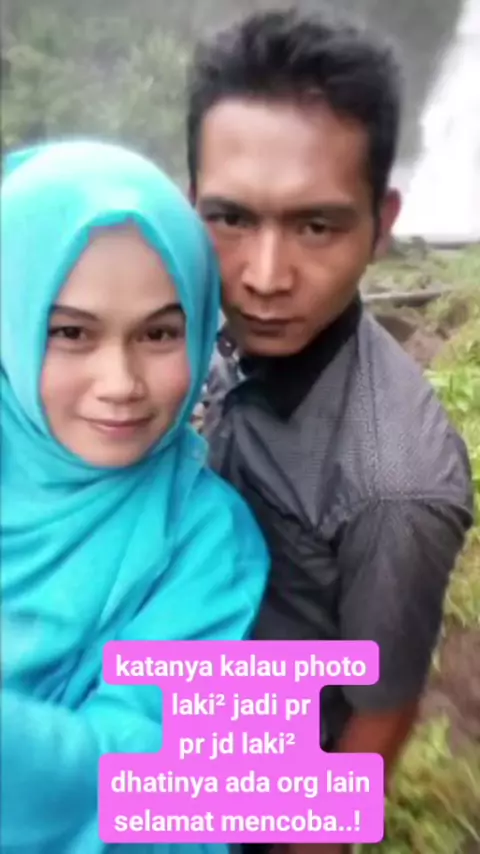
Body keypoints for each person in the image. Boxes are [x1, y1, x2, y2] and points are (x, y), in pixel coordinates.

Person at [186, 9, 474, 853]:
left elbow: (381, 714)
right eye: (231, 219)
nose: (266, 277)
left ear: (382, 224)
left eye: (317, 225)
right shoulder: (164, 325)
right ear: (189, 203)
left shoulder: (394, 483)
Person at [0, 140, 270, 854]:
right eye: (70, 332)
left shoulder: (205, 541)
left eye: (158, 333)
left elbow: (160, 779)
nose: (120, 383)